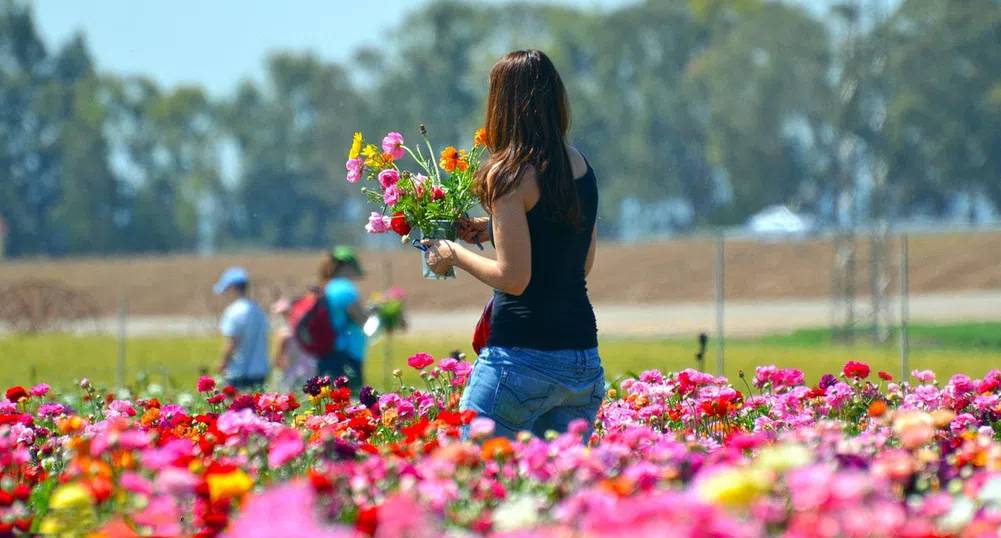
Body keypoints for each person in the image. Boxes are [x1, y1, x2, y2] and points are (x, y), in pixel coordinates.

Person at [422, 49, 603, 442]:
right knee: (556, 490)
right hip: (582, 362)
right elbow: (580, 261)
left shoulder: (508, 172)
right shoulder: (581, 167)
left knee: (474, 476)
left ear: (503, 106)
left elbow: (514, 278)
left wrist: (454, 253)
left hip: (520, 358)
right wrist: (494, 229)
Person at [317, 246, 368, 392]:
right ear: (345, 266)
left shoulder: (327, 286)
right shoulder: (345, 288)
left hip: (327, 350)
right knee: (351, 401)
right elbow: (360, 318)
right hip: (346, 352)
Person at [212, 267, 271, 391]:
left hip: (238, 372)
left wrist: (222, 362)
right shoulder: (258, 310)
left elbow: (232, 342)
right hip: (260, 370)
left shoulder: (233, 312)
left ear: (233, 288)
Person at [271, 297, 317, 394]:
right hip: (308, 372)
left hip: (290, 376)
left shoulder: (284, 334)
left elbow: (277, 361)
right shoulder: (307, 331)